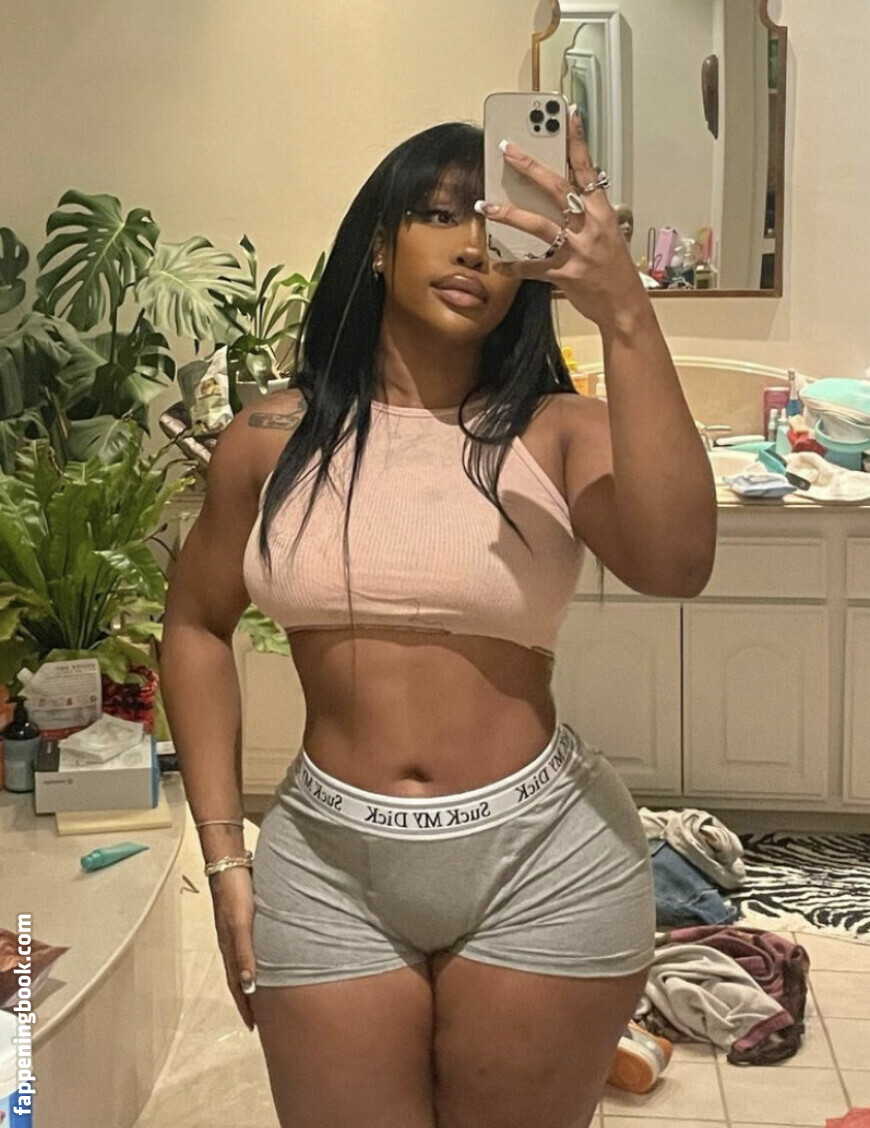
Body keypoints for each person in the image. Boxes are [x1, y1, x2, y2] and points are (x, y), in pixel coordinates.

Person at [160, 109, 717, 1128]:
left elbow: (678, 564)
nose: (473, 249)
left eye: (497, 230)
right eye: (439, 214)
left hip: (545, 858)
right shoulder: (269, 437)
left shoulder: (557, 431)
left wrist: (626, 312)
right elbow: (195, 626)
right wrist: (225, 853)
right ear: (379, 243)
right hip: (326, 861)